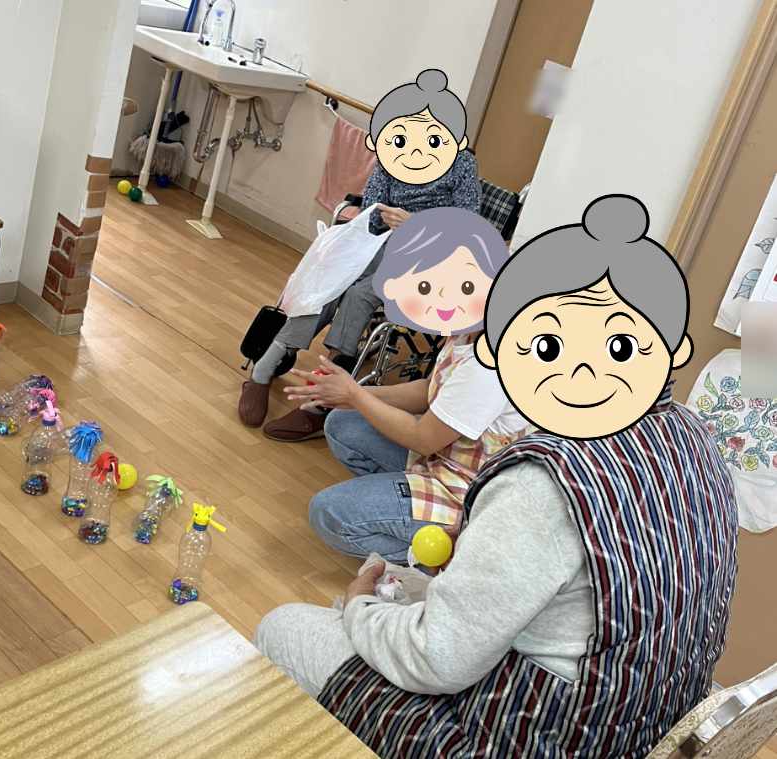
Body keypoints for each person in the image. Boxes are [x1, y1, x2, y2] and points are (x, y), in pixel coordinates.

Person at [255, 195, 738, 758]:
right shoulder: (695, 434)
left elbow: (434, 658)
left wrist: (363, 606)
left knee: (286, 627)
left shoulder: (547, 480)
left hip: (530, 737)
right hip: (642, 720)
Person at [239, 69, 480, 442]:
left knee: (359, 295)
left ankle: (321, 401)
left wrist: (416, 225)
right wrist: (384, 218)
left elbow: (467, 226)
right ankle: (263, 369)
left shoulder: (463, 165)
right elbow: (371, 208)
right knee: (328, 283)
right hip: (378, 241)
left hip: (428, 258)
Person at [285, 207, 526, 561]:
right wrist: (353, 395)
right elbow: (428, 391)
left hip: (464, 492)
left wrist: (355, 395)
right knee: (342, 423)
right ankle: (398, 507)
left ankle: (452, 554)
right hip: (440, 459)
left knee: (329, 514)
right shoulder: (467, 331)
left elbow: (422, 437)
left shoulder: (488, 366)